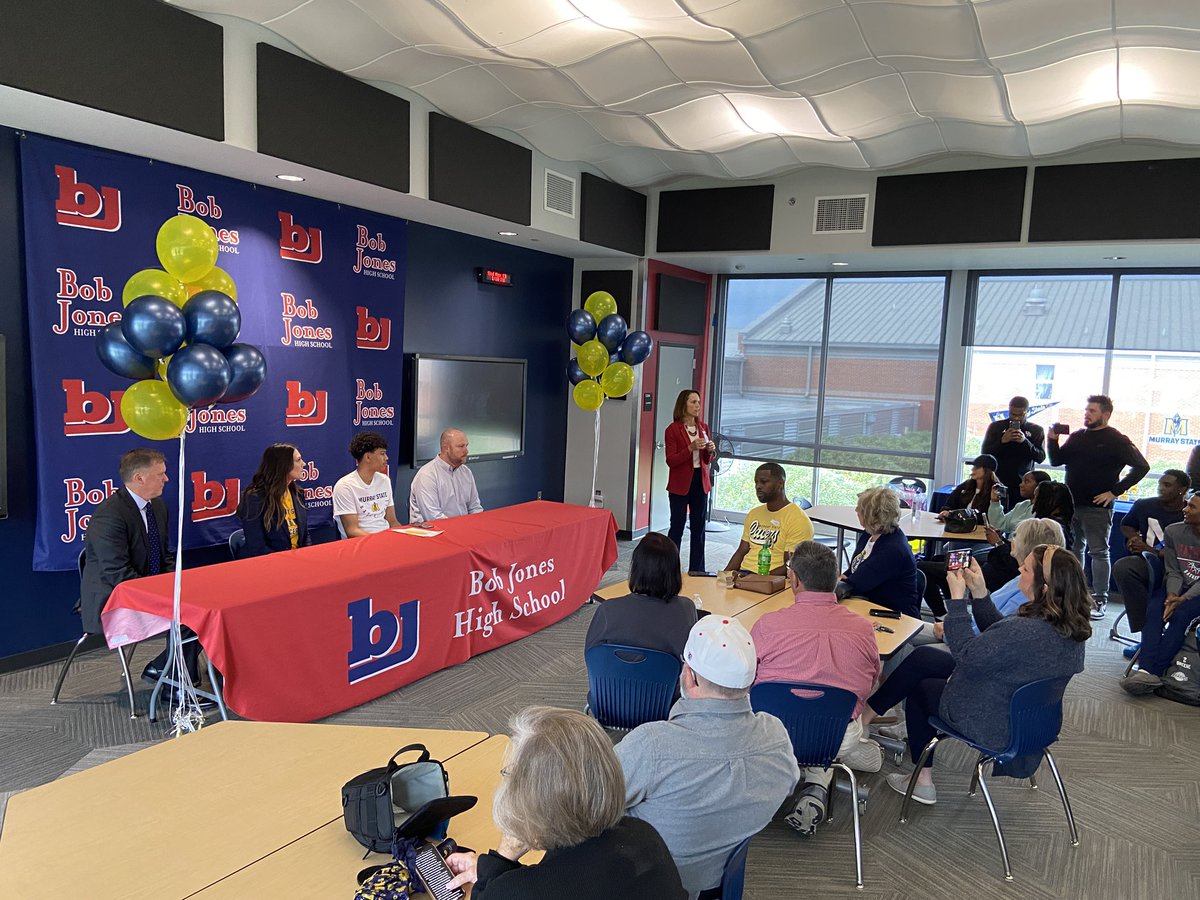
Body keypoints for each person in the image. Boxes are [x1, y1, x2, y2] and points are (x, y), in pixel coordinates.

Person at [863, 547, 1090, 804]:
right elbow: (1000, 638)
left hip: (994, 721)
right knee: (925, 658)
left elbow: (966, 654)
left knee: (922, 690)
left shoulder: (1024, 630)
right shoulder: (1069, 628)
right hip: (1033, 720)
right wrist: (980, 593)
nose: (1019, 570)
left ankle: (921, 782)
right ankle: (866, 716)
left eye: (1026, 569)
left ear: (1045, 588)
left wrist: (957, 601)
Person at [615, 617, 798, 899]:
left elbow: (586, 801)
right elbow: (789, 784)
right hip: (716, 884)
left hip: (645, 882)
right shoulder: (775, 736)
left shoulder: (652, 745)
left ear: (689, 676)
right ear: (750, 682)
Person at [444, 706, 686, 899]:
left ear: (533, 799)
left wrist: (504, 856)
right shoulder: (643, 834)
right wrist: (488, 870)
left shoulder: (520, 890)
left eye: (512, 773)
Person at [751, 541, 881, 836]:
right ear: (835, 580)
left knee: (775, 714)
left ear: (794, 579)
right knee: (825, 720)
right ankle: (816, 785)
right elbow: (871, 681)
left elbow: (745, 680)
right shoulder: (863, 629)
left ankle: (773, 783)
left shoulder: (768, 625)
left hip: (771, 734)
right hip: (836, 736)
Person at [80, 450, 200, 693]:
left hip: (146, 590)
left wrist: (174, 586)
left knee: (202, 608)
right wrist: (159, 596)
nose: (166, 479)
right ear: (139, 478)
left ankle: (164, 669)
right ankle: (176, 688)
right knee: (187, 617)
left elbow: (164, 555)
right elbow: (119, 575)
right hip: (114, 600)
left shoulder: (158, 507)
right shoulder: (109, 516)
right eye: (160, 474)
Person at [1047, 394, 1150, 619]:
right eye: (1086, 410)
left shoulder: (1117, 440)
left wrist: (1114, 492)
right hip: (1070, 504)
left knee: (1098, 552)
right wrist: (1052, 440)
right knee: (1073, 550)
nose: (1087, 414)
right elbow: (1056, 460)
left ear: (1106, 414)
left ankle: (1100, 599)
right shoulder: (1077, 436)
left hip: (1097, 507)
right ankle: (1074, 594)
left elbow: (1142, 467)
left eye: (1092, 411)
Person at [1122, 493, 1200, 695]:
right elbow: (1173, 570)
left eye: (1192, 507)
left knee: (1181, 615)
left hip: (1196, 593)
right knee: (1155, 609)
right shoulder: (1174, 531)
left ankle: (1155, 672)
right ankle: (1145, 670)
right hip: (1177, 586)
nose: (1184, 509)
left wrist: (1182, 599)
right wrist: (1172, 595)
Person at [585, 533, 697, 658]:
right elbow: (691, 657)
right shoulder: (686, 609)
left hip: (615, 671)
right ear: (675, 572)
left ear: (636, 568)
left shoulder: (608, 610)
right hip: (666, 671)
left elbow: (591, 654)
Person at [1112, 470, 1190, 639]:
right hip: (1150, 566)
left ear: (1182, 490)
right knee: (1124, 567)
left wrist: (1149, 549)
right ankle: (1147, 630)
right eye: (1160, 484)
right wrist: (1133, 538)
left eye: (1167, 485)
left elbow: (1182, 553)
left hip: (1182, 570)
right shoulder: (1144, 505)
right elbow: (1126, 525)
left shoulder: (1190, 514)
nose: (1161, 488)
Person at [838, 486, 919, 617]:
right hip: (869, 605)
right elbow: (854, 571)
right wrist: (843, 579)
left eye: (860, 508)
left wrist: (840, 582)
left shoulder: (892, 550)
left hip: (892, 616)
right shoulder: (869, 534)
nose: (856, 510)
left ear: (872, 515)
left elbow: (855, 585)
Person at [723, 462, 814, 575]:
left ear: (780, 483)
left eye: (764, 482)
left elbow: (791, 565)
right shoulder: (754, 513)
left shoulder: (798, 520)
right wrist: (723, 576)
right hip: (744, 574)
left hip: (773, 578)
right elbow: (741, 551)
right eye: (756, 482)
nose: (758, 486)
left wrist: (758, 580)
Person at [664, 389, 715, 576]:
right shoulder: (673, 429)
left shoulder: (703, 427)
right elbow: (671, 460)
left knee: (698, 527)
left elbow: (707, 460)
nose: (697, 406)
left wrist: (710, 451)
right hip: (680, 484)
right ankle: (670, 569)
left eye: (698, 402)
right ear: (683, 405)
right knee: (677, 525)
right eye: (693, 402)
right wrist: (689, 448)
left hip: (700, 481)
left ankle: (697, 569)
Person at [235, 444, 310, 557]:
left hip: (297, 560)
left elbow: (305, 535)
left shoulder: (298, 493)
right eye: (298, 460)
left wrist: (307, 555)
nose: (304, 464)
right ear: (283, 466)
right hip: (269, 562)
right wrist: (288, 562)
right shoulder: (254, 499)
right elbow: (257, 547)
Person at [981, 396, 1046, 510]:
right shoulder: (996, 427)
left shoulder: (1036, 430)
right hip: (998, 480)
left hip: (1023, 484)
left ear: (1027, 412)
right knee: (996, 513)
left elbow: (1040, 457)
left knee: (1019, 516)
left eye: (1020, 415)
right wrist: (1002, 441)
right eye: (1012, 414)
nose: (1016, 418)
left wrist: (1025, 442)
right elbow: (984, 454)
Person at [409, 428, 484, 524]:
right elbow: (434, 518)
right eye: (461, 446)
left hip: (463, 527)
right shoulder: (427, 475)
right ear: (446, 448)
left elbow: (475, 507)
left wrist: (477, 526)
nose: (466, 451)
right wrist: (462, 528)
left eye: (466, 446)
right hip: (434, 530)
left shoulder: (466, 472)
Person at [332, 432, 400, 537]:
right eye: (382, 454)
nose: (386, 458)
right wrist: (380, 541)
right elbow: (352, 531)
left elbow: (393, 522)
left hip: (386, 538)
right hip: (360, 543)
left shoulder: (385, 480)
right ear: (368, 457)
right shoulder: (344, 486)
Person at [986, 469, 1052, 534]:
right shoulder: (1021, 505)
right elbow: (999, 525)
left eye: (1026, 482)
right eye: (1022, 481)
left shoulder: (1042, 510)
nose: (1021, 485)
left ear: (1040, 486)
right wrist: (995, 502)